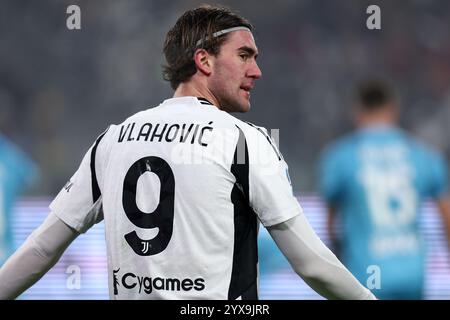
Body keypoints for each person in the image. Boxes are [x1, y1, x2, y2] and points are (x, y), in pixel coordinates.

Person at [0, 5, 375, 300]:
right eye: (244, 55)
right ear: (204, 60)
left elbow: (40, 251)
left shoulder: (111, 141)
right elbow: (311, 263)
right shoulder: (243, 142)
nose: (257, 70)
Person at [319, 80, 450, 300]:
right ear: (393, 109)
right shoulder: (422, 154)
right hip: (412, 274)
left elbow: (331, 225)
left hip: (369, 273)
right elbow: (446, 214)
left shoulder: (340, 157)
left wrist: (340, 255)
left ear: (357, 111)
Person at [0, 132, 37, 265]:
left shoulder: (8, 155)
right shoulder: (9, 156)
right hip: (6, 253)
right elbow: (33, 179)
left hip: (6, 251)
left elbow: (33, 178)